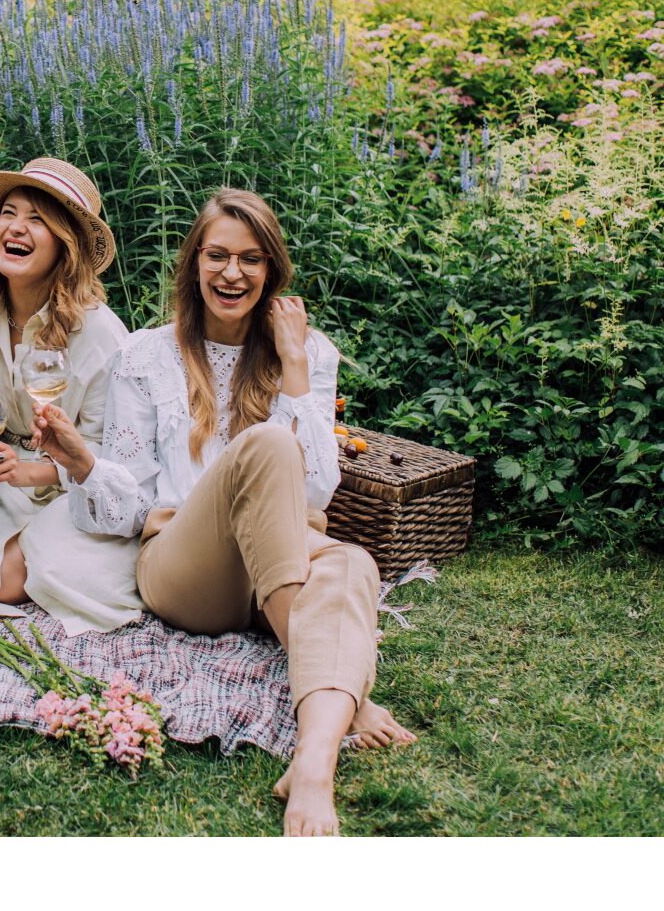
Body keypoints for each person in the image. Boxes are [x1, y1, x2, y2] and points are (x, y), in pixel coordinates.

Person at [32, 188, 417, 836]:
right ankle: (350, 689)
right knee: (268, 446)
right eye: (217, 256)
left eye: (251, 259)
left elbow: (317, 494)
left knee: (351, 560)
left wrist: (293, 366)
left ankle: (315, 761)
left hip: (282, 561)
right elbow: (122, 509)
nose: (232, 273)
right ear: (194, 264)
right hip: (188, 569)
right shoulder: (147, 356)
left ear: (271, 271)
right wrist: (82, 462)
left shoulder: (309, 354)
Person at [0, 158, 135, 635]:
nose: (16, 228)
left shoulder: (98, 332)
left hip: (75, 485)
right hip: (7, 482)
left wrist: (34, 470)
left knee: (36, 574)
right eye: (10, 213)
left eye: (38, 219)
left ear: (65, 244)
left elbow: (113, 454)